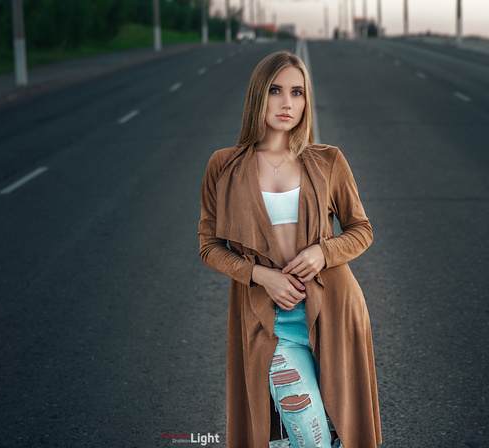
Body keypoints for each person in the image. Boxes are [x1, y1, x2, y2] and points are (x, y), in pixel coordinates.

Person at [198, 50, 382, 448]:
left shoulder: (328, 160)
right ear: (257, 96)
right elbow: (209, 246)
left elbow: (361, 229)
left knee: (340, 433)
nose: (287, 103)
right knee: (308, 436)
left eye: (297, 92)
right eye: (276, 90)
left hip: (334, 313)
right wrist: (261, 276)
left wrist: (323, 253)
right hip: (272, 327)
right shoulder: (224, 166)